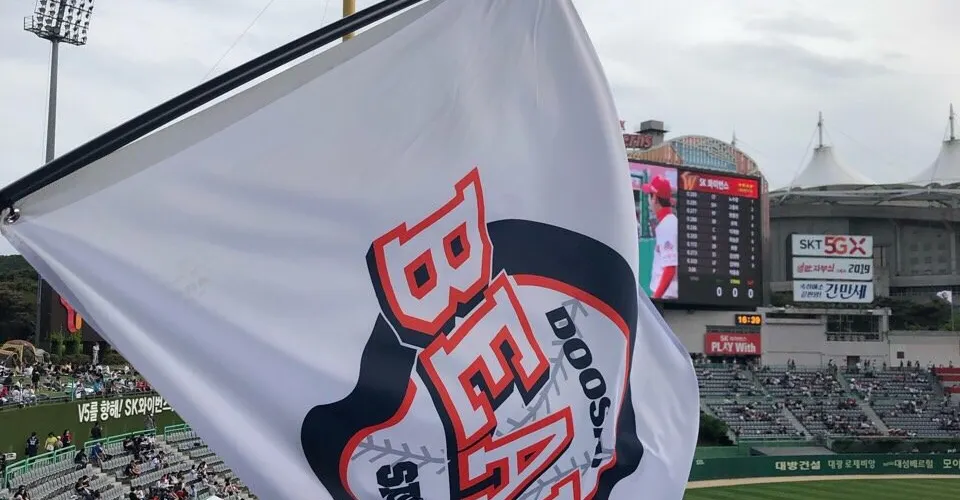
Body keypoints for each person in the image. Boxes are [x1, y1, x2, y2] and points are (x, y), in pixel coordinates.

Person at [641, 175, 679, 300]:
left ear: (655, 199)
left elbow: (670, 269)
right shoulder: (669, 222)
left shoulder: (667, 225)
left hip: (667, 296)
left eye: (649, 195)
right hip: (667, 294)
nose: (648, 201)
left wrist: (656, 298)